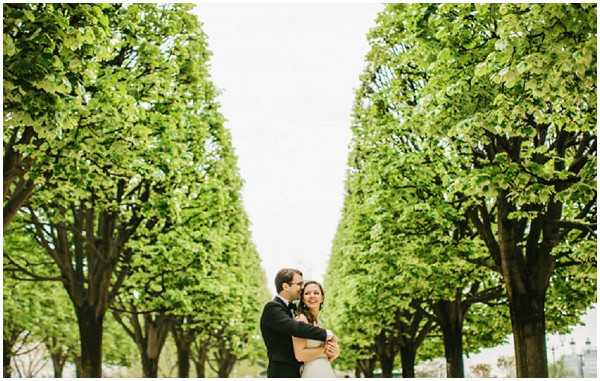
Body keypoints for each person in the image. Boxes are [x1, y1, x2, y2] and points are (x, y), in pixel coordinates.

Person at [260, 268, 335, 378]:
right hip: (283, 372)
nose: (302, 288)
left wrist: (333, 350)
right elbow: (295, 328)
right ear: (285, 286)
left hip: (301, 370)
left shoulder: (295, 310)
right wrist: (327, 334)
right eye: (299, 284)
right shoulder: (272, 307)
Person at [292, 281, 340, 378]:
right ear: (302, 299)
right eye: (307, 293)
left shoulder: (321, 322)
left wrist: (335, 353)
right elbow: (300, 355)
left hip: (325, 369)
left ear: (322, 298)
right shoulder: (301, 320)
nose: (312, 296)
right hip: (312, 372)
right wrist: (325, 350)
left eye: (316, 293)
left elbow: (325, 356)